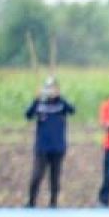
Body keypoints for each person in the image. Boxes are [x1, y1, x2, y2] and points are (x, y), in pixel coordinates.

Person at [24, 77, 75, 208]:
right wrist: (36, 99)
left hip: (58, 146)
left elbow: (72, 110)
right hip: (42, 147)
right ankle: (31, 201)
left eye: (53, 88)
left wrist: (60, 97)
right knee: (37, 175)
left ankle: (53, 202)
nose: (50, 91)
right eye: (48, 88)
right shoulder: (40, 104)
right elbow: (28, 115)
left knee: (55, 177)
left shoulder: (61, 104)